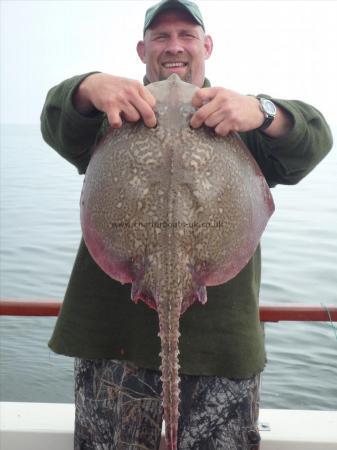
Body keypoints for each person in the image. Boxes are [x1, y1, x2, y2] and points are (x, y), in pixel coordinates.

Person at [40, 1, 332, 449]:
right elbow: (56, 120)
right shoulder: (111, 114)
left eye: (186, 35)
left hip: (222, 352)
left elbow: (315, 139)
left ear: (206, 46)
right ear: (142, 49)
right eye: (161, 36)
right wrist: (87, 87)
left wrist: (264, 110)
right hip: (113, 346)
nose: (174, 46)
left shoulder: (240, 119)